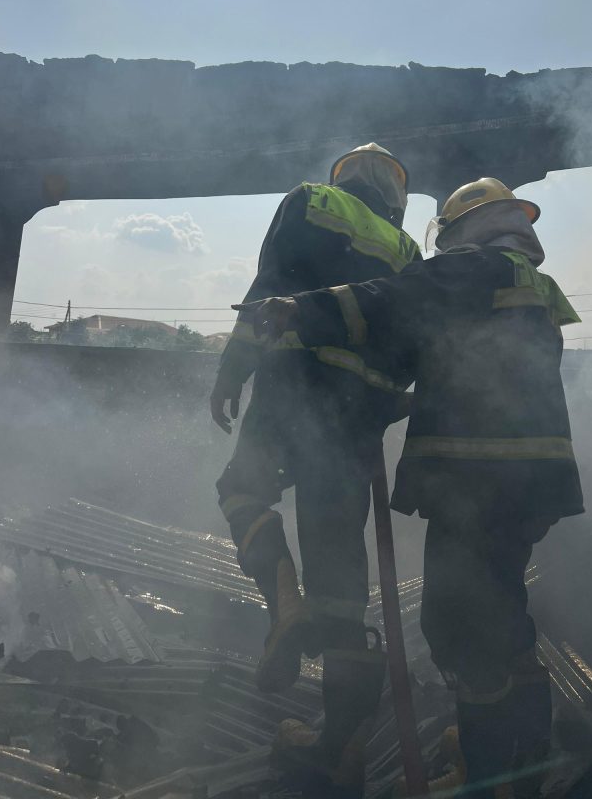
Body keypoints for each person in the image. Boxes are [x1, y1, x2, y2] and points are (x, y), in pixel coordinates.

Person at [237, 177, 585, 799]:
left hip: (477, 475)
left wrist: (300, 310)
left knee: (457, 624)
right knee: (505, 622)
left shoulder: (472, 268)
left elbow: (394, 299)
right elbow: (471, 363)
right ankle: (515, 768)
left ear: (466, 229)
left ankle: (490, 778)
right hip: (535, 478)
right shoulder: (536, 287)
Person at [210, 143, 421, 797]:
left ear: (345, 176)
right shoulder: (409, 250)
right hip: (359, 419)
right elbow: (415, 333)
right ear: (396, 193)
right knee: (340, 576)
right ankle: (341, 745)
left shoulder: (313, 199)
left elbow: (272, 285)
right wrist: (386, 400)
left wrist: (233, 367)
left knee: (241, 488)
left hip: (294, 387)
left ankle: (284, 605)